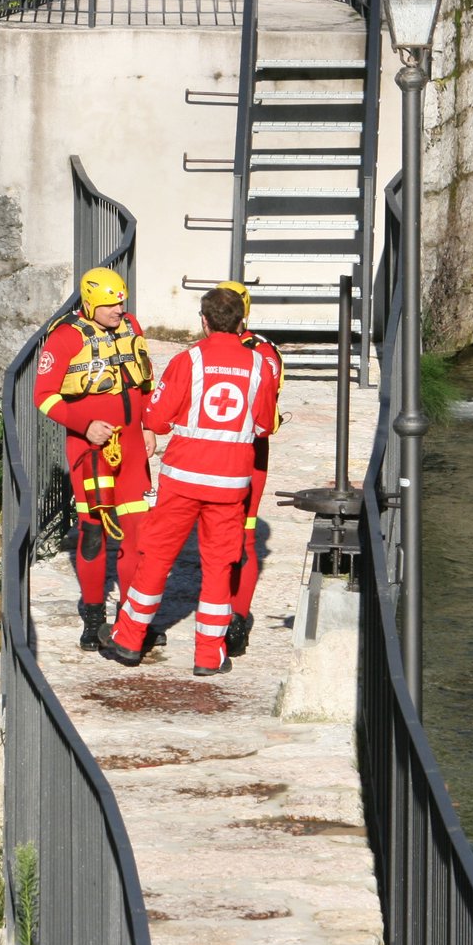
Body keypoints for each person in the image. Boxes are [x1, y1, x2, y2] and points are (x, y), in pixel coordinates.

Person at [99, 286, 278, 675]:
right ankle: (208, 655)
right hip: (230, 483)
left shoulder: (189, 360)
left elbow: (158, 419)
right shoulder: (261, 365)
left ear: (203, 322)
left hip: (182, 479)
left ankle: (128, 640)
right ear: (242, 322)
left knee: (157, 557)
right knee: (218, 566)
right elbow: (264, 425)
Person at [33, 266, 156, 651]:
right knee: (92, 535)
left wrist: (149, 425)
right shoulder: (65, 338)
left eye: (121, 302)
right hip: (89, 451)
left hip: (133, 449)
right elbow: (44, 396)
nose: (119, 310)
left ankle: (131, 619)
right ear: (89, 304)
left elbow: (146, 381)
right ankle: (92, 617)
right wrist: (84, 425)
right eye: (110, 306)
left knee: (136, 536)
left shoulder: (131, 325)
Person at [219, 281, 284, 657]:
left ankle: (237, 619)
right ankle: (218, 611)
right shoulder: (203, 351)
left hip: (248, 455)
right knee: (216, 538)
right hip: (212, 455)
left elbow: (266, 417)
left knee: (243, 537)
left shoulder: (263, 353)